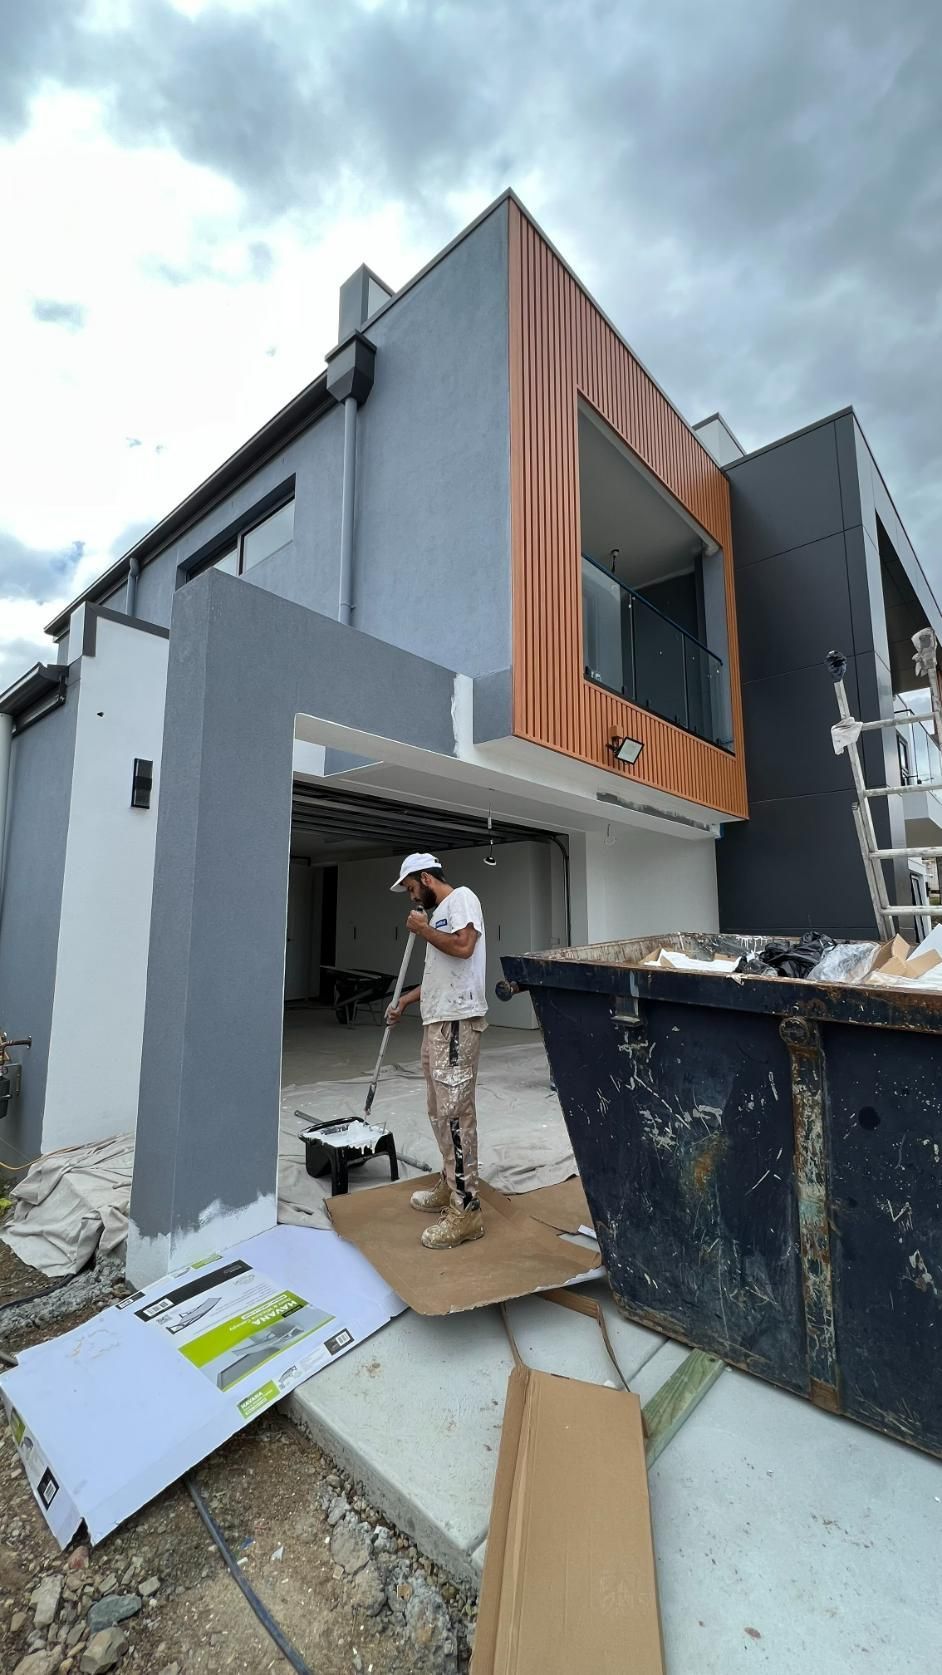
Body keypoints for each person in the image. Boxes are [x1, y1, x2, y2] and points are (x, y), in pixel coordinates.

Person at [386, 852, 487, 1250]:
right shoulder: (439, 914)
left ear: (426, 878)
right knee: (438, 1111)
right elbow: (440, 975)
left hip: (458, 1022)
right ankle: (450, 1183)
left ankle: (467, 1210)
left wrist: (424, 929)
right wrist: (407, 1000)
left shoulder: (462, 898)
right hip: (437, 1023)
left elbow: (463, 947)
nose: (413, 897)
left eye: (413, 888)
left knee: (456, 1115)